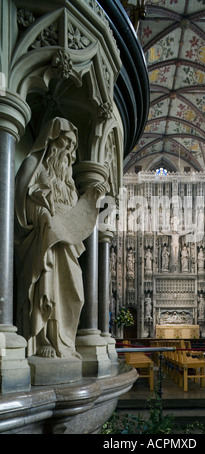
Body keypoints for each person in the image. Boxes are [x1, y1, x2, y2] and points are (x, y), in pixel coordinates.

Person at [14, 117, 108, 359]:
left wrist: (91, 197)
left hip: (67, 244)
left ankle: (65, 343)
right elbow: (22, 205)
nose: (68, 150)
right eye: (65, 142)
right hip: (45, 243)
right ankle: (45, 339)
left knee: (75, 293)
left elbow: (75, 213)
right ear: (52, 140)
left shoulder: (68, 182)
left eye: (72, 146)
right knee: (48, 289)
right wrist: (43, 213)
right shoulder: (35, 167)